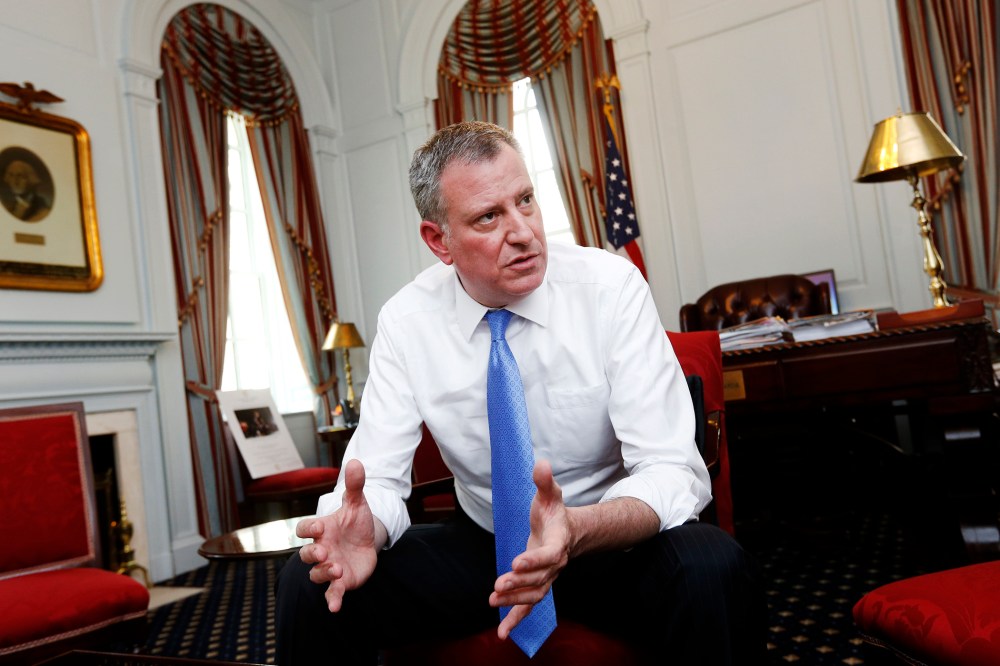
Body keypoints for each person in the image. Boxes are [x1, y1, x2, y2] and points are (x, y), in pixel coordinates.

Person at [275, 121, 766, 664]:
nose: (525, 232)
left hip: (610, 540)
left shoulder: (611, 289)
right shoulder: (406, 321)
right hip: (487, 547)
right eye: (489, 216)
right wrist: (371, 525)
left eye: (526, 200)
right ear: (439, 241)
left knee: (712, 567)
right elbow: (380, 477)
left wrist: (577, 529)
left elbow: (674, 469)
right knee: (310, 583)